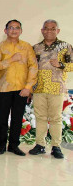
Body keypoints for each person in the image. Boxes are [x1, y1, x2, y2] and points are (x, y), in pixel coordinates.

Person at [0, 19, 37, 156]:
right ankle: (1, 145)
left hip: (21, 89)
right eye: (11, 28)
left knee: (17, 118)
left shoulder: (27, 47)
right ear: (5, 31)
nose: (14, 30)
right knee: (3, 118)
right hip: (4, 88)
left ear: (21, 31)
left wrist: (28, 87)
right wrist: (11, 59)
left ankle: (13, 146)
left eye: (17, 28)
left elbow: (33, 67)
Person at [29, 19, 73, 159]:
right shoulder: (35, 48)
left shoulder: (66, 46)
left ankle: (56, 146)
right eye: (46, 28)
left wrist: (61, 64)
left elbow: (72, 65)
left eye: (52, 28)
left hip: (56, 87)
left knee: (55, 118)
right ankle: (40, 145)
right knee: (40, 117)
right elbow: (30, 68)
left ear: (57, 31)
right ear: (42, 30)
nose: (49, 31)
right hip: (39, 87)